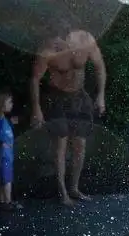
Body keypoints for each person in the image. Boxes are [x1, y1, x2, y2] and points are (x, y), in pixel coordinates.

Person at [30, 25, 107, 206]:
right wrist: (36, 108)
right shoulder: (48, 49)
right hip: (57, 99)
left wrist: (101, 95)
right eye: (60, 41)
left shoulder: (86, 40)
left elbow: (100, 66)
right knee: (61, 146)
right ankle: (62, 191)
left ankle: (74, 187)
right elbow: (34, 79)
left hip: (80, 97)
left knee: (80, 144)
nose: (63, 44)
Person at [0, 91, 20, 211]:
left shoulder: (3, 120)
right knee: (7, 180)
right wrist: (2, 147)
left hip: (7, 155)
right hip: (3, 156)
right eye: (9, 102)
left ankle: (1, 200)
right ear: (1, 105)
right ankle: (8, 202)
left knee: (3, 179)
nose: (11, 104)